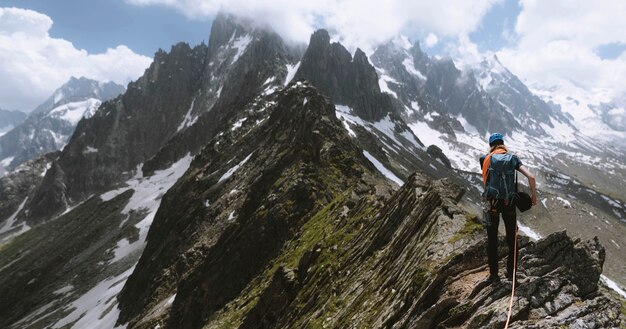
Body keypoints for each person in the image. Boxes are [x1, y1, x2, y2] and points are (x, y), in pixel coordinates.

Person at [479, 133, 537, 284]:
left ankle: (494, 275)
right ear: (503, 144)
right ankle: (511, 274)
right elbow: (531, 177)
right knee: (512, 239)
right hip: (509, 204)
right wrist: (533, 197)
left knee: (492, 240)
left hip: (492, 204)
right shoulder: (513, 159)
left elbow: (486, 182)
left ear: (491, 145)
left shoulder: (485, 159)